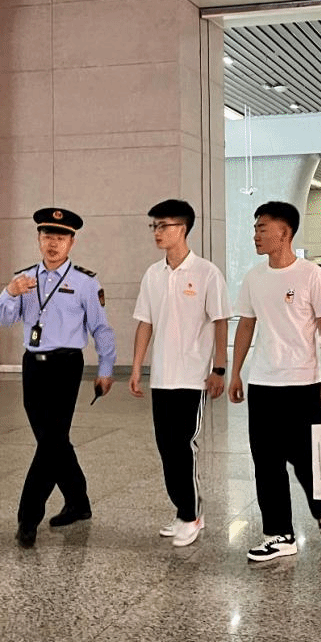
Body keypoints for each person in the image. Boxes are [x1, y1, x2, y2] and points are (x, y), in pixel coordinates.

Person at [0, 207, 116, 548]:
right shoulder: (23, 279)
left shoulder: (85, 282)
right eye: (47, 236)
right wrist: (10, 292)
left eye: (60, 237)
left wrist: (106, 368)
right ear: (38, 239)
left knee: (50, 443)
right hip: (33, 365)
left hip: (66, 366)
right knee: (53, 440)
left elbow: (101, 329)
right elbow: (3, 319)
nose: (53, 243)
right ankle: (78, 501)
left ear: (71, 242)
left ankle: (28, 519)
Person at [229, 201, 321, 562]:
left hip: (302, 384)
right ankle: (279, 534)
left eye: (262, 228)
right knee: (266, 462)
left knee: (306, 460)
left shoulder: (311, 275)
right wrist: (236, 372)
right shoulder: (254, 277)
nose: (256, 235)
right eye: (255, 229)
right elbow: (246, 326)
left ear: (285, 232)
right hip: (263, 384)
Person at [129, 200, 231, 547]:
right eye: (154, 226)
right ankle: (183, 510)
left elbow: (220, 321)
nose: (157, 232)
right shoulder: (153, 274)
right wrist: (137, 366)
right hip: (162, 376)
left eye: (164, 226)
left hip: (193, 376)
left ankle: (192, 515)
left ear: (182, 229)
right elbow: (145, 322)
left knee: (183, 446)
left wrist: (219, 368)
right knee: (166, 448)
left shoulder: (206, 273)